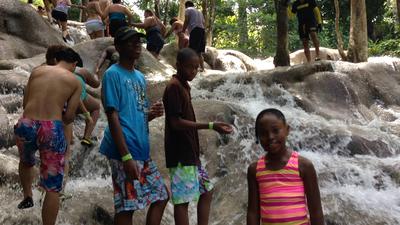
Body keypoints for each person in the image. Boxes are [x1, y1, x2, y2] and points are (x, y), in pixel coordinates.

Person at [100, 26, 168, 225]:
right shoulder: (113, 75)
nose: (137, 44)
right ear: (119, 47)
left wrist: (150, 115)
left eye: (139, 41)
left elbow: (135, 115)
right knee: (127, 206)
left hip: (140, 150)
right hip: (124, 150)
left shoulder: (139, 77)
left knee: (161, 195)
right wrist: (126, 156)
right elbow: (112, 117)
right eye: (131, 41)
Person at [162, 48, 234, 225]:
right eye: (189, 67)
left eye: (196, 68)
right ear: (178, 65)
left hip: (189, 153)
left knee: (206, 191)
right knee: (182, 202)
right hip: (180, 155)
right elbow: (176, 123)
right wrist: (210, 126)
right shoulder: (173, 87)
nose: (193, 71)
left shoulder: (183, 85)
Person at [14, 47, 82, 225]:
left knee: (26, 161)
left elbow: (24, 102)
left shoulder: (37, 71)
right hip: (51, 128)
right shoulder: (74, 81)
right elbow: (69, 118)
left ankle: (27, 196)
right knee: (53, 187)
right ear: (74, 64)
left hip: (26, 124)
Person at [246, 108, 324, 225]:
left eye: (275, 130)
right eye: (263, 133)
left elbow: (316, 211)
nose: (270, 137)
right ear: (257, 137)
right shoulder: (255, 170)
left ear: (287, 130)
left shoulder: (303, 166)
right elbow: (253, 212)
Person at [182, 1, 206, 71]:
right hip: (202, 30)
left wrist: (183, 30)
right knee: (199, 52)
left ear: (187, 6)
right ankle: (202, 68)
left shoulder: (188, 9)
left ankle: (191, 67)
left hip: (195, 30)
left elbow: (186, 20)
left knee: (191, 50)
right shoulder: (199, 12)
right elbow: (203, 22)